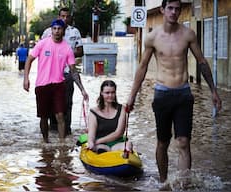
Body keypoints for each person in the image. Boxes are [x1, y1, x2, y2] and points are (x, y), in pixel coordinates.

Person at [126, 0, 222, 183]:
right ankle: (163, 183)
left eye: (177, 9)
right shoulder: (153, 37)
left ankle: (183, 185)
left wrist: (213, 91)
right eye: (170, 8)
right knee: (163, 142)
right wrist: (131, 97)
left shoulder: (188, 34)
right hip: (162, 94)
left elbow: (201, 62)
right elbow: (142, 67)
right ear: (163, 10)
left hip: (183, 94)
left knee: (184, 142)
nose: (174, 12)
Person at [23, 19, 88, 143]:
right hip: (42, 85)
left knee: (60, 115)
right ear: (51, 30)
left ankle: (62, 144)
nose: (57, 31)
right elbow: (29, 59)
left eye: (59, 29)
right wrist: (26, 79)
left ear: (63, 31)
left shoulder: (67, 48)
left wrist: (82, 90)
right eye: (55, 29)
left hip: (59, 85)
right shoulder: (42, 44)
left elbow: (73, 71)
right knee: (44, 117)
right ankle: (46, 142)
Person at [41, 7, 84, 135]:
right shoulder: (48, 32)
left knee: (67, 102)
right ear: (58, 17)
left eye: (67, 16)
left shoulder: (74, 32)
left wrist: (66, 53)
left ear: (70, 18)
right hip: (49, 74)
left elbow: (80, 51)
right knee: (49, 103)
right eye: (62, 16)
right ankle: (53, 128)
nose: (65, 19)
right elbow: (40, 50)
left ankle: (66, 130)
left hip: (67, 72)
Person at [87, 80, 132, 153]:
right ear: (101, 93)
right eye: (107, 93)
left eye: (113, 92)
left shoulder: (122, 109)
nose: (110, 95)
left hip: (116, 143)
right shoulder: (93, 112)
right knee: (100, 149)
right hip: (101, 145)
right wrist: (91, 143)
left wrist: (97, 141)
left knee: (128, 145)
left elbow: (119, 133)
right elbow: (91, 134)